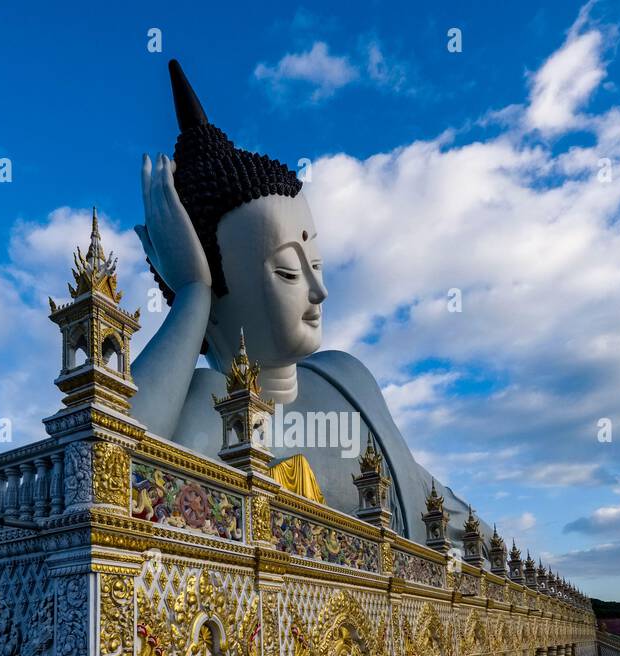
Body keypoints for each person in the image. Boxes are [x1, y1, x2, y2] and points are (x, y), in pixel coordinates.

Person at [130, 60, 471, 542]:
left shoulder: (344, 376)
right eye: (289, 271)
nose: (319, 290)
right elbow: (109, 476)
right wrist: (190, 293)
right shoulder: (205, 405)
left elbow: (433, 498)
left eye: (317, 265)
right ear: (219, 296)